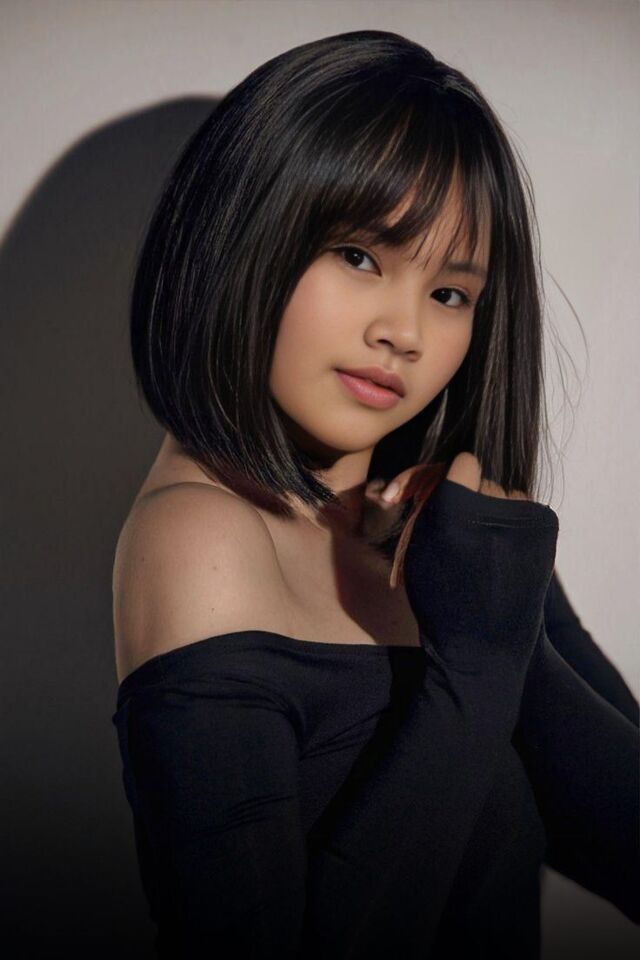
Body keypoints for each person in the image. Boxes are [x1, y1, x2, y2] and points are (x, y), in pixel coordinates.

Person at [111, 30, 639, 958]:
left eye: (451, 294)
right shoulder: (203, 538)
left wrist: (501, 621)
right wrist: (472, 670)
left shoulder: (448, 538)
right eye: (359, 255)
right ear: (242, 234)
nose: (405, 331)